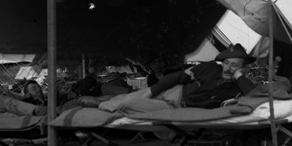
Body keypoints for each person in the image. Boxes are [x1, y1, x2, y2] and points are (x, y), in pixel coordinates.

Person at [93, 44, 257, 112]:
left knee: (129, 102)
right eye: (226, 63)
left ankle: (100, 108)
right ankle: (98, 104)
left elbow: (254, 96)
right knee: (127, 97)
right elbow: (178, 77)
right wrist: (151, 91)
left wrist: (238, 76)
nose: (227, 68)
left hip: (176, 107)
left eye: (234, 65)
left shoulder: (239, 87)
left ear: (242, 68)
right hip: (171, 91)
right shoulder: (209, 67)